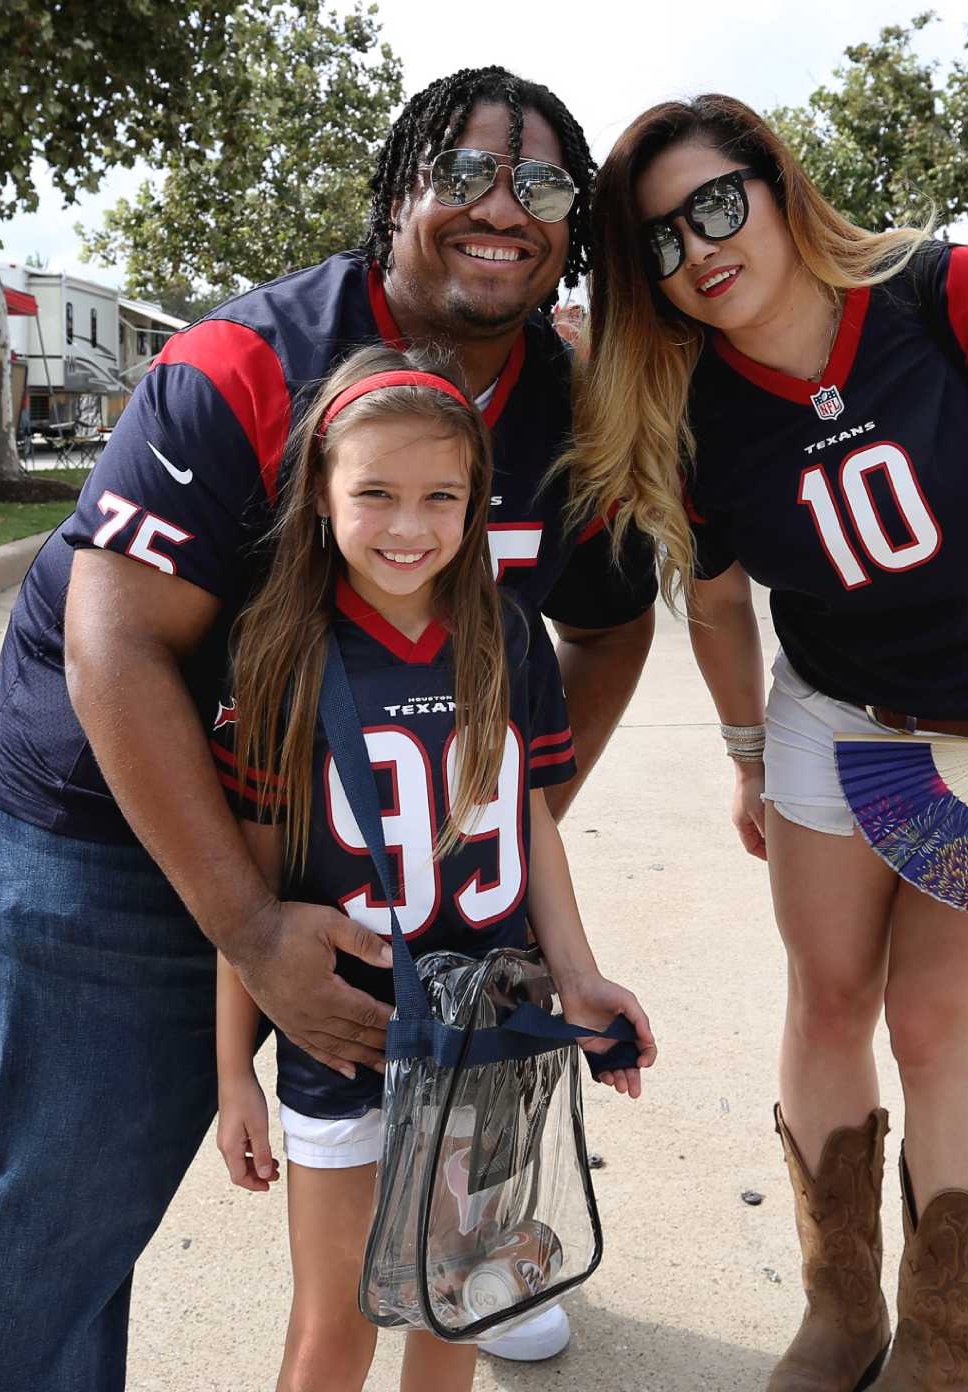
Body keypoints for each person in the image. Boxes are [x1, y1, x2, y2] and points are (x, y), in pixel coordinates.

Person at [0, 68, 657, 1392]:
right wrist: (251, 926)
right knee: (72, 1191)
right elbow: (117, 642)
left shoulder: (578, 406)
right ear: (397, 192)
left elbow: (610, 628)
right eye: (466, 173)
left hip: (362, 838)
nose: (504, 208)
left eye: (544, 184)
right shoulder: (249, 363)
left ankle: (469, 1272)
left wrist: (471, 826)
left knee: (445, 1208)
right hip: (122, 806)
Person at [566, 96, 968, 1391]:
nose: (697, 249)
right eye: (658, 241)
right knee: (825, 1002)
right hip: (829, 722)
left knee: (934, 1029)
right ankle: (841, 1313)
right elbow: (712, 597)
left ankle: (944, 1346)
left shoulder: (959, 295)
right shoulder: (690, 404)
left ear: (774, 183)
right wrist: (748, 746)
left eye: (715, 204)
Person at [210, 345, 656, 1392]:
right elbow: (252, 897)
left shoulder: (506, 632)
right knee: (335, 1325)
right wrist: (232, 1072)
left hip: (485, 1026)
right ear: (319, 497)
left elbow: (530, 821)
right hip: (343, 1034)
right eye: (374, 493)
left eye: (438, 497)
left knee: (455, 1297)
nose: (407, 526)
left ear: (474, 503)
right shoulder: (281, 649)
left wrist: (577, 971)